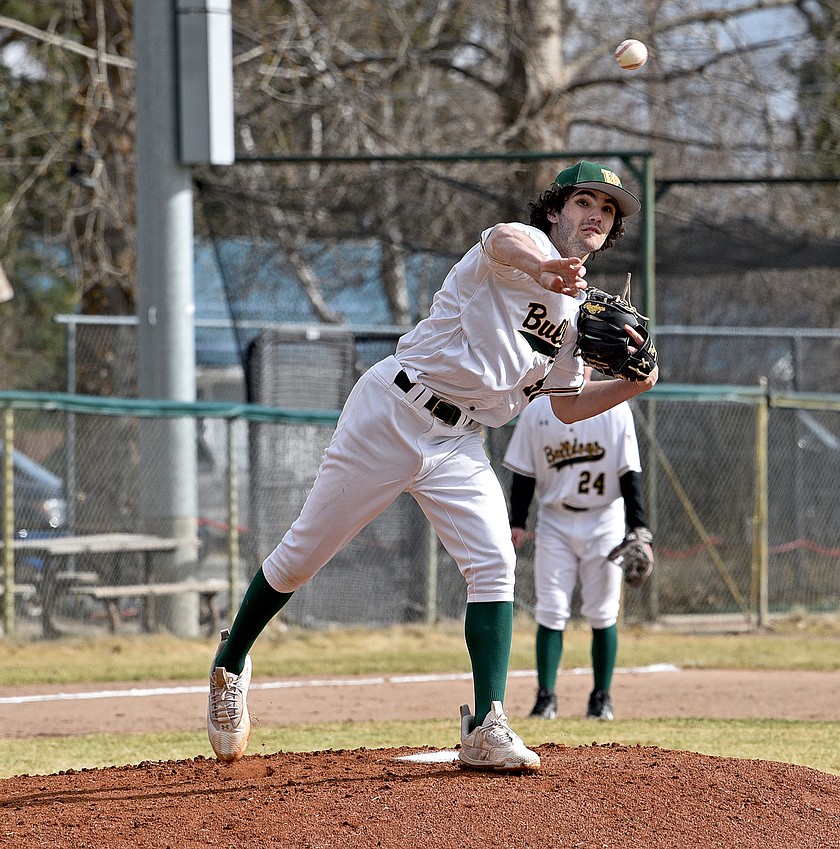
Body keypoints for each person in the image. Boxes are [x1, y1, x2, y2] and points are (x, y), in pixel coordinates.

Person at [206, 161, 657, 773]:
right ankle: (231, 664)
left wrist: (634, 385)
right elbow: (505, 241)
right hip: (392, 411)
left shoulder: (580, 321)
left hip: (459, 441)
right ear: (554, 211)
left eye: (607, 212)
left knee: (495, 560)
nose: (596, 216)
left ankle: (488, 723)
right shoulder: (511, 250)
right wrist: (545, 267)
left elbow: (569, 405)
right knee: (302, 555)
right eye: (585, 202)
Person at [502, 370, 650, 721]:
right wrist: (517, 522)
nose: (578, 366)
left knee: (603, 611)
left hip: (605, 519)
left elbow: (630, 473)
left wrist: (640, 528)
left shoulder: (613, 406)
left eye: (583, 360)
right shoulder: (538, 409)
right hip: (554, 520)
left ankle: (601, 698)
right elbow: (524, 472)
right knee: (551, 609)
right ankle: (546, 697)